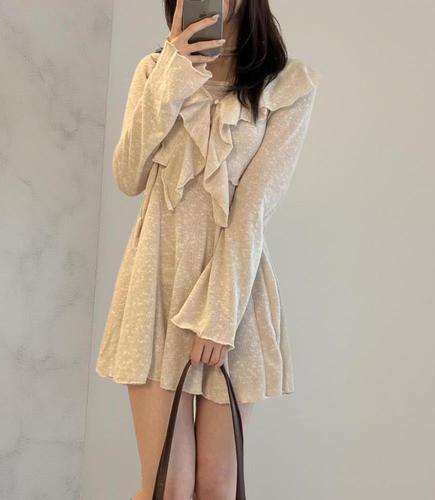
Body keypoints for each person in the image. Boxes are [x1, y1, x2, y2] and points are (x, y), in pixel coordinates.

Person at [95, 0, 322, 498]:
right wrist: (175, 72)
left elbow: (254, 208)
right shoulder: (155, 70)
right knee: (168, 486)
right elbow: (128, 174)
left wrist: (220, 315)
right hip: (156, 287)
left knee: (217, 488)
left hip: (232, 293)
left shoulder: (286, 85)